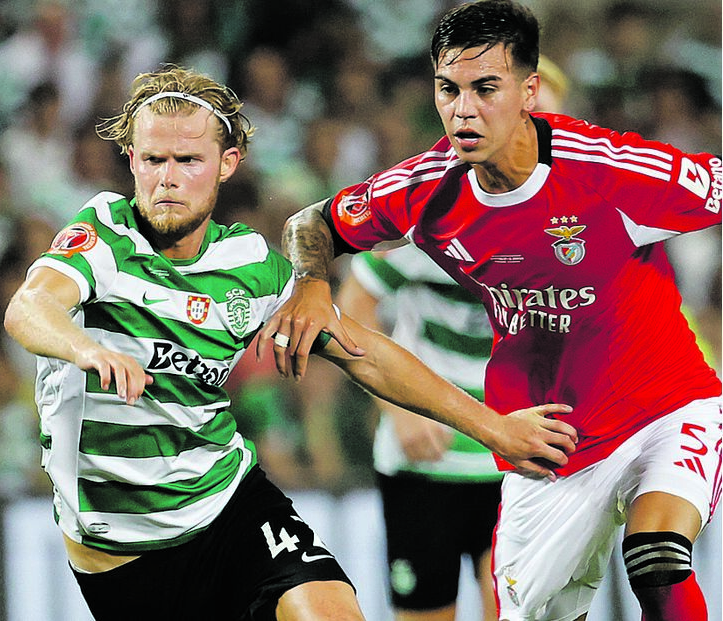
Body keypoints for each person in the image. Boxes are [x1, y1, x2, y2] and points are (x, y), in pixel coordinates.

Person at [3, 64, 577, 621]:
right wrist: (86, 349)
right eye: (152, 160)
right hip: (121, 556)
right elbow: (30, 305)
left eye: (187, 161)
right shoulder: (105, 233)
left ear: (227, 164)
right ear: (130, 159)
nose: (167, 178)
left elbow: (365, 354)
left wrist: (494, 427)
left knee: (332, 611)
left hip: (228, 505)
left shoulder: (249, 266)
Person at [257, 2, 722, 620]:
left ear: (530, 92)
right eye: (448, 89)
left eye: (486, 88)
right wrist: (314, 283)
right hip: (552, 439)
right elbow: (311, 222)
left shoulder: (608, 171)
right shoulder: (428, 190)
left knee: (657, 556)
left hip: (664, 405)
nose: (464, 109)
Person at [336, 243, 500, 621]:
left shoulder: (549, 227)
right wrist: (400, 408)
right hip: (424, 463)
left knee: (516, 610)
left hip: (514, 463)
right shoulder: (434, 227)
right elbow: (351, 305)